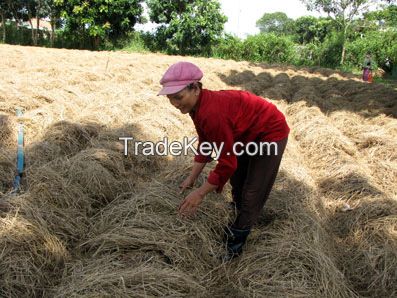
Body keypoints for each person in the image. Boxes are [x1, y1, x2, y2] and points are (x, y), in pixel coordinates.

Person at [157, 62, 290, 261]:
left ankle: (234, 244)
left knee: (252, 191)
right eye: (170, 99)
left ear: (195, 88)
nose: (175, 104)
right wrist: (191, 179)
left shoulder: (212, 112)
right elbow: (206, 143)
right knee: (237, 182)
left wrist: (199, 194)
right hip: (245, 134)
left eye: (178, 97)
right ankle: (238, 215)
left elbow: (227, 163)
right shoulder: (197, 107)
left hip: (269, 133)